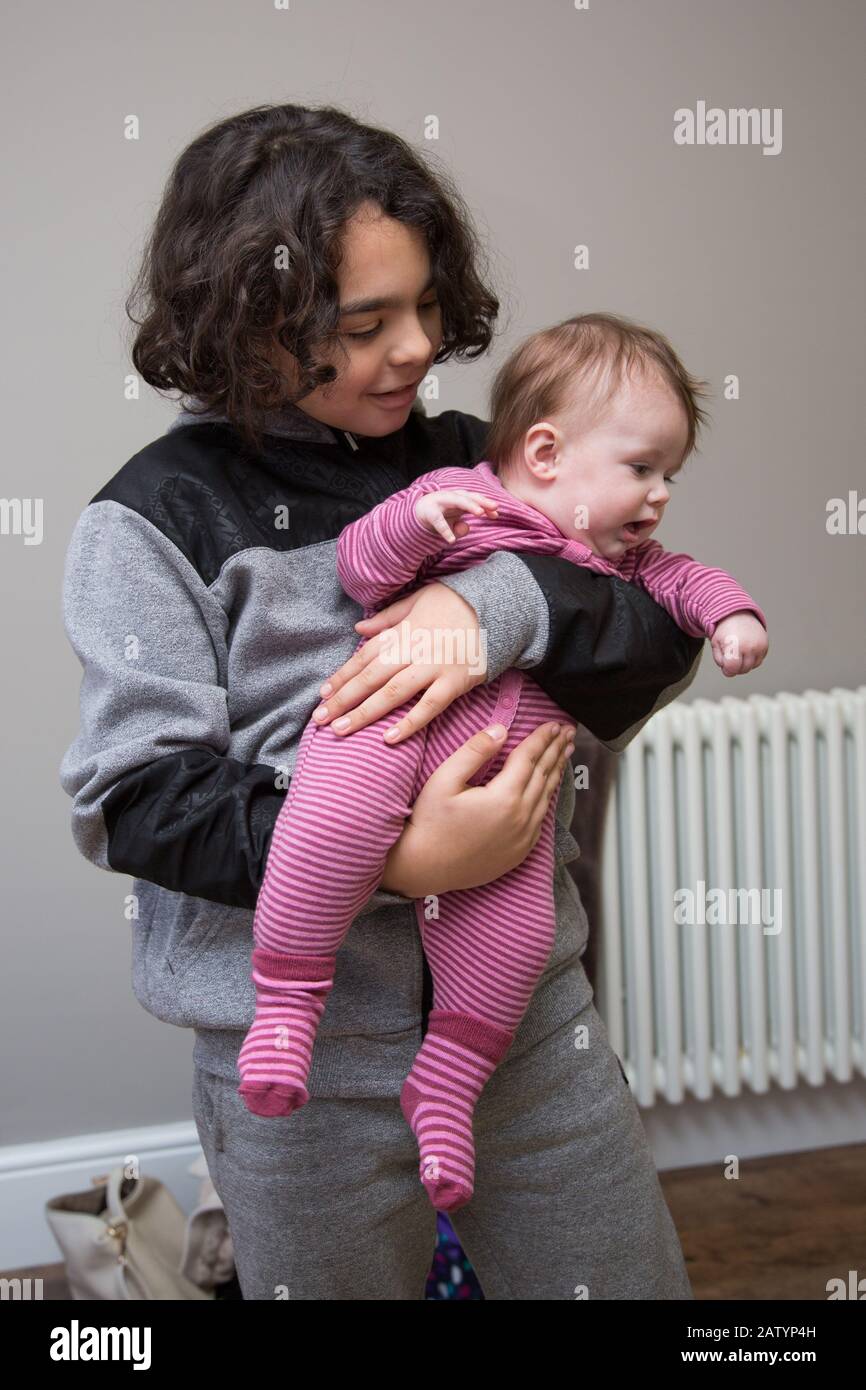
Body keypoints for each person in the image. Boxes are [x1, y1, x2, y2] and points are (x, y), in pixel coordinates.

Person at [60, 102, 703, 1299]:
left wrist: (498, 605)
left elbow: (654, 632)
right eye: (365, 325)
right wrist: (398, 861)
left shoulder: (475, 457)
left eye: (424, 307)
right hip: (305, 1085)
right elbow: (137, 800)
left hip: (530, 1037)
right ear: (246, 327)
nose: (416, 349)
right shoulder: (151, 522)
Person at [237, 312, 769, 1215]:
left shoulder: (632, 561)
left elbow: (689, 585)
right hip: (385, 728)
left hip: (512, 783)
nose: (661, 496)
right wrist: (414, 523)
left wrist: (735, 617)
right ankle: (288, 1003)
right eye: (642, 469)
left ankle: (446, 1079)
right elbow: (362, 572)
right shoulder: (459, 496)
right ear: (549, 452)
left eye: (669, 475)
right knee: (326, 825)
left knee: (518, 933)